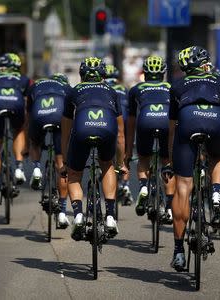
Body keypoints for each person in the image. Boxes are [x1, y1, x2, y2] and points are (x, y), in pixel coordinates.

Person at [168, 46, 220, 271]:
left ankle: (178, 251)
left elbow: (171, 129)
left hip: (187, 122)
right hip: (217, 121)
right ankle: (216, 192)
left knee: (183, 186)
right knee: (216, 157)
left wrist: (170, 160)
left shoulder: (177, 85)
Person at [61, 57, 128, 240]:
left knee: (74, 174)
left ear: (82, 75)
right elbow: (121, 133)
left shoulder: (74, 91)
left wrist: (65, 162)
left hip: (82, 130)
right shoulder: (112, 92)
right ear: (103, 75)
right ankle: (111, 217)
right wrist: (120, 163)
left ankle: (79, 216)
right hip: (107, 129)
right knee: (107, 165)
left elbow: (65, 131)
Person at [126, 55, 176, 223]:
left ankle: (143, 188)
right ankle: (169, 208)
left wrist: (128, 150)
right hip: (166, 122)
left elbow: (131, 122)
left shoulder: (136, 89)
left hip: (145, 122)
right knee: (166, 162)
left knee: (143, 159)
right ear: (163, 73)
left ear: (145, 73)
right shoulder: (171, 87)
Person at [0, 53, 31, 207]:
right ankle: (19, 168)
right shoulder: (24, 80)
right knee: (19, 130)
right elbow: (29, 108)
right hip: (16, 104)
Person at [27, 73, 72, 227]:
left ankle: (37, 168)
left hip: (39, 115)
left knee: (35, 142)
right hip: (59, 117)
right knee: (61, 164)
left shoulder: (35, 86)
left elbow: (28, 115)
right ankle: (62, 212)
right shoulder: (67, 88)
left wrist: (30, 138)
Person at [104, 64, 133, 206]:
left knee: (106, 157)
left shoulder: (104, 89)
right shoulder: (123, 89)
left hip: (106, 120)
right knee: (125, 150)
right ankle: (126, 184)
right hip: (124, 119)